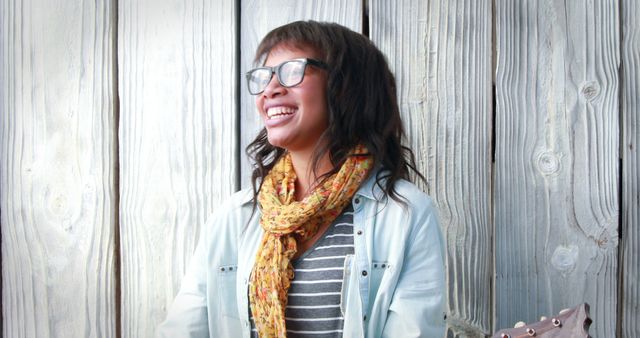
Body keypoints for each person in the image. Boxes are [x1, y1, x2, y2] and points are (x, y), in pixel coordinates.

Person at [157, 20, 446, 338]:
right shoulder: (234, 218)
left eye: (292, 70)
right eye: (264, 76)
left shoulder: (406, 215)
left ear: (346, 86)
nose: (270, 90)